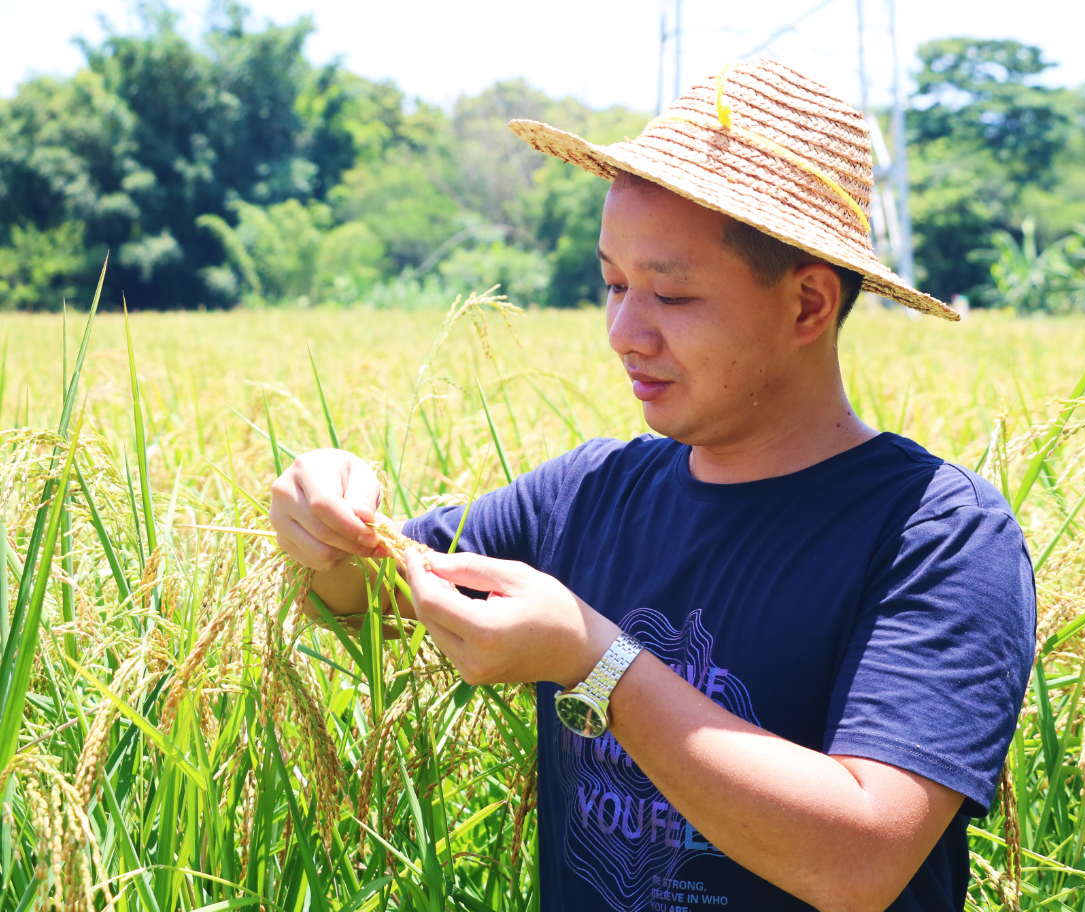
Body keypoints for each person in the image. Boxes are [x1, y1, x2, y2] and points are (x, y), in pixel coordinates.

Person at [269, 58, 1036, 912]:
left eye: (669, 295)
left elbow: (858, 861)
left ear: (808, 306)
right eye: (614, 284)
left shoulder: (934, 533)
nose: (623, 332)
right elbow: (365, 597)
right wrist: (325, 525)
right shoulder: (586, 496)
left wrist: (595, 664)